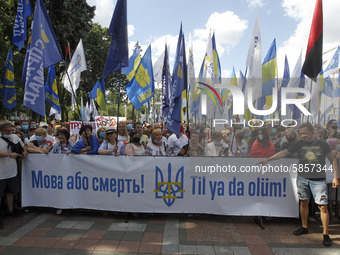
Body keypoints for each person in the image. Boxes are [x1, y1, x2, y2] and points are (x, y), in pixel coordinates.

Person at [259, 122, 339, 247]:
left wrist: (336, 177)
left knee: (322, 206)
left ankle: (326, 233)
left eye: (305, 133)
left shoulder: (322, 144)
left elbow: (332, 160)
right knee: (303, 202)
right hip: (302, 178)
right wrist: (269, 159)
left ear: (312, 132)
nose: (303, 136)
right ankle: (304, 226)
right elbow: (284, 153)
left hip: (318, 179)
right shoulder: (298, 144)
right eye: (301, 133)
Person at [0, 120, 26, 225]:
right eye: (7, 131)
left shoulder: (15, 137)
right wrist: (10, 155)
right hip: (1, 171)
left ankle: (10, 210)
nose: (9, 132)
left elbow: (23, 145)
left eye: (11, 130)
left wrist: (24, 152)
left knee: (10, 192)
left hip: (12, 170)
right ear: (1, 130)